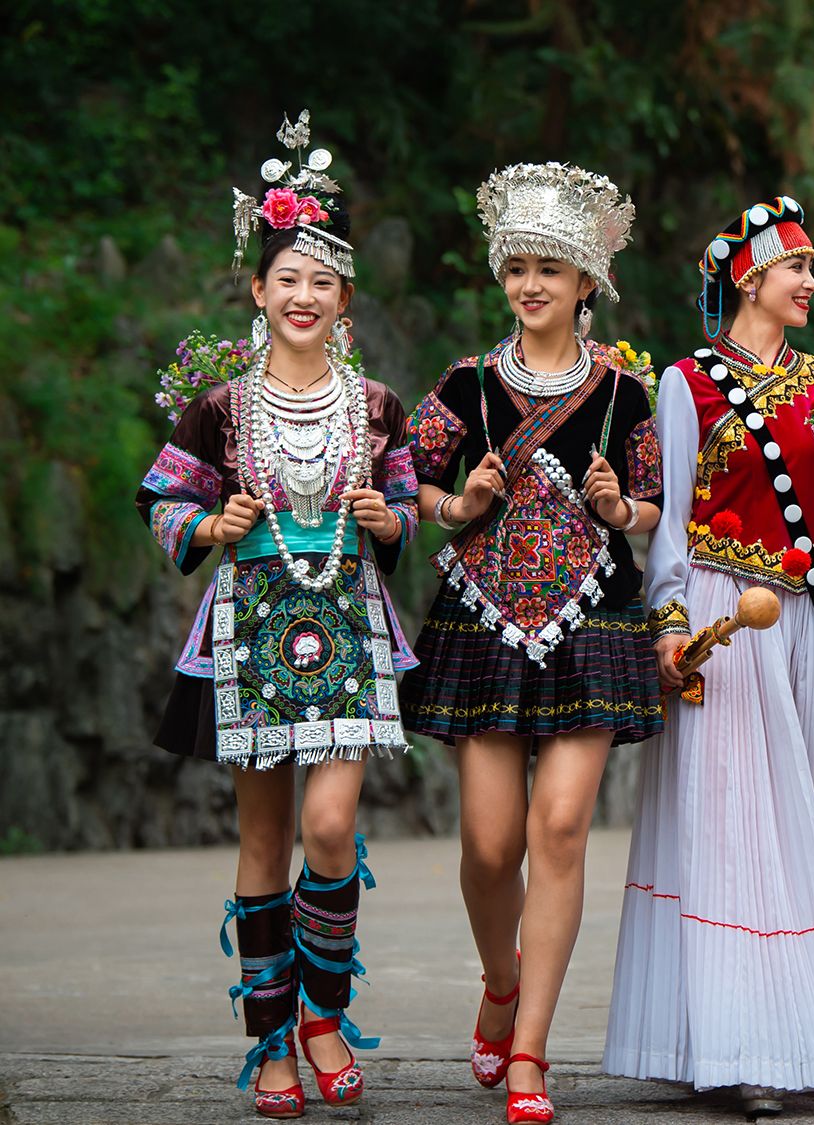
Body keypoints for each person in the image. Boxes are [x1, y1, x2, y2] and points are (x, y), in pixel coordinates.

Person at [137, 110, 415, 1118]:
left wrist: (390, 518)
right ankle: (269, 1044)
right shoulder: (217, 406)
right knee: (262, 844)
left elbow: (406, 504)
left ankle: (324, 1013)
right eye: (285, 278)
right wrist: (212, 524)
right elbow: (160, 498)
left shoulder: (377, 403)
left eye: (322, 281)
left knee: (331, 829)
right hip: (251, 627)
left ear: (346, 299)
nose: (303, 295)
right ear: (258, 291)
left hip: (345, 623)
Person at [603, 197, 814, 1119]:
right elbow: (676, 524)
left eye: (810, 270)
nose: (811, 284)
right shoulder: (687, 384)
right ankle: (750, 1042)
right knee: (741, 831)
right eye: (797, 269)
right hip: (731, 617)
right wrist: (670, 621)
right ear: (748, 278)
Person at [399, 162, 660, 1125]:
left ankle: (530, 1051)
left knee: (557, 830)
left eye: (551, 267)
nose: (531, 284)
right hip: (483, 622)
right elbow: (404, 484)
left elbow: (657, 502)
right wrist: (453, 502)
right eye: (518, 267)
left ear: (587, 282)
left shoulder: (626, 395)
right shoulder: (464, 386)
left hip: (593, 622)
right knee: (488, 839)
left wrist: (619, 506)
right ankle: (499, 981)